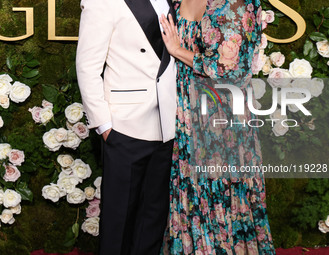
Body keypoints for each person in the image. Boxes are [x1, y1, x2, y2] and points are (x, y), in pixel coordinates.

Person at [159, 0, 276, 254]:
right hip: (186, 114)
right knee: (191, 193)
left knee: (221, 194)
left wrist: (178, 50)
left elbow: (234, 71)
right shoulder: (176, 0)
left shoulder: (238, 3)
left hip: (222, 122)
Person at [75, 0, 177, 254]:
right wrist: (103, 124)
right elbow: (87, 66)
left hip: (167, 121)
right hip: (125, 123)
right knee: (119, 218)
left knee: (153, 217)